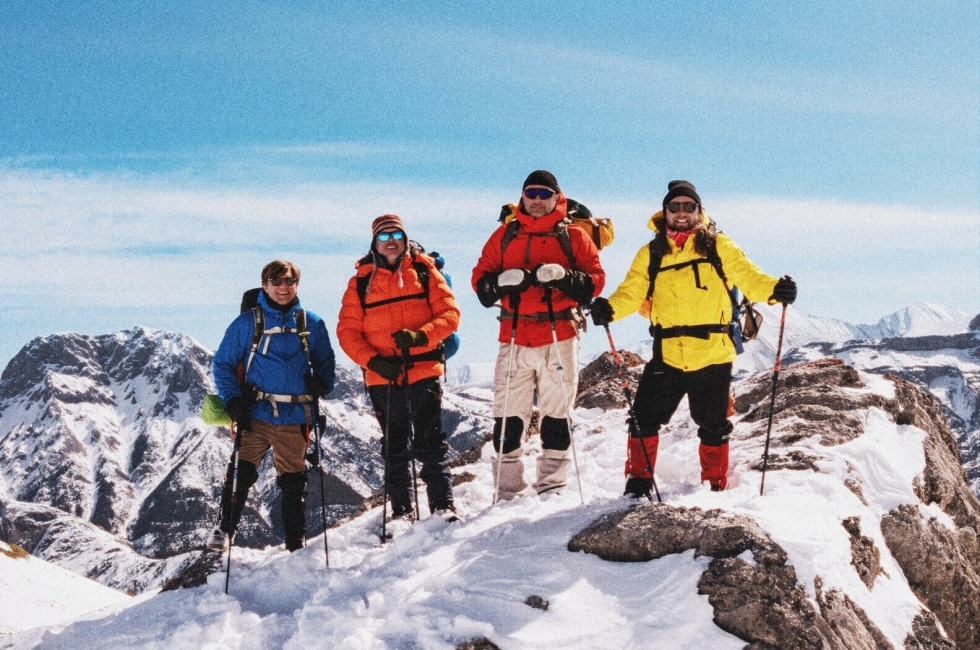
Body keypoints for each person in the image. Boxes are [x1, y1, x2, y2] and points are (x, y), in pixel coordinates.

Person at [590, 180, 797, 497]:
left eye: (689, 206)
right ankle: (638, 484)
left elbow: (748, 276)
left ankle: (714, 485)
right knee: (643, 418)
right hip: (668, 352)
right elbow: (631, 293)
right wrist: (610, 309)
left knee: (713, 424)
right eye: (675, 206)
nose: (682, 212)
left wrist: (774, 290)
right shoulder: (651, 253)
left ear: (699, 211)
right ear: (665, 213)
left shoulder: (718, 246)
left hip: (713, 352)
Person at [472, 170, 605, 499]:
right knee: (507, 419)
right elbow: (480, 284)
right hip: (514, 336)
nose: (536, 200)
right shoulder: (503, 236)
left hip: (559, 334)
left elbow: (595, 281)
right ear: (522, 197)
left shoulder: (574, 237)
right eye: (531, 193)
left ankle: (551, 487)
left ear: (557, 197)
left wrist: (564, 278)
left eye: (544, 194)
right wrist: (500, 283)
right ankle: (507, 491)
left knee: (556, 416)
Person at [337, 214, 460, 521]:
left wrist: (421, 337)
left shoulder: (425, 271)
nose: (390, 241)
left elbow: (450, 314)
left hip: (423, 370)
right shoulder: (361, 283)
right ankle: (402, 511)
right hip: (383, 376)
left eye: (396, 235)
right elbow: (347, 332)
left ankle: (443, 507)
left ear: (405, 239)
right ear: (374, 243)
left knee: (430, 442)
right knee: (395, 448)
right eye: (383, 236)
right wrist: (373, 361)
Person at [209, 260, 336, 551]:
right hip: (255, 413)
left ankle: (296, 544)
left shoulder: (311, 323)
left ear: (296, 285)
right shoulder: (247, 323)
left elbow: (326, 362)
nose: (283, 287)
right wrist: (234, 401)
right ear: (265, 285)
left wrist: (323, 383)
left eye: (289, 281)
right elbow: (223, 364)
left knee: (293, 482)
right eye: (276, 281)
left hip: (295, 415)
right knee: (241, 473)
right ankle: (225, 529)